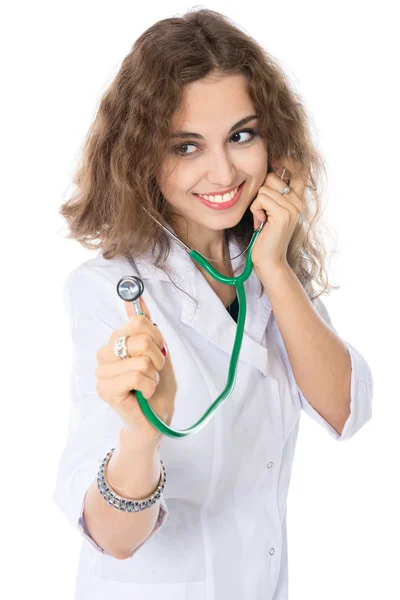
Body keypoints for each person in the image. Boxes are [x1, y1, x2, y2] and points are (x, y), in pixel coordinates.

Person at [52, 8, 374, 600]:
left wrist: (275, 266)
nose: (222, 171)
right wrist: (142, 431)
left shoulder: (265, 266)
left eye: (242, 136)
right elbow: (113, 535)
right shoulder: (106, 290)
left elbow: (345, 411)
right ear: (141, 155)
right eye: (186, 146)